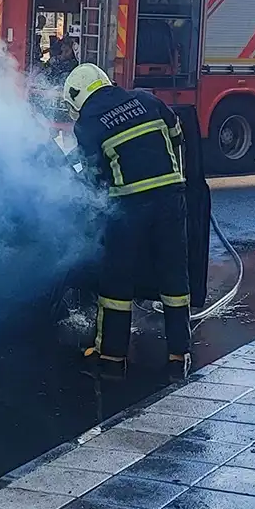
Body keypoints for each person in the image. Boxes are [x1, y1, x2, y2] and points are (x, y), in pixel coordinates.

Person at [62, 63, 192, 381]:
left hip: (129, 205)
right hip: (171, 198)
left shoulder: (89, 122)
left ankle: (111, 358)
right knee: (174, 276)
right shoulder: (147, 99)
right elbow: (177, 136)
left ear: (78, 98)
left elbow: (94, 176)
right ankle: (179, 356)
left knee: (117, 282)